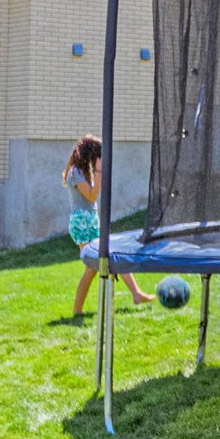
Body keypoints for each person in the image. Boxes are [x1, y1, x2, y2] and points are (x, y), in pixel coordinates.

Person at [64, 135, 151, 317]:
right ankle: (77, 311)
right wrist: (99, 171)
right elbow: (91, 196)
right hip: (82, 222)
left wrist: (97, 172)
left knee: (109, 256)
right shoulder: (76, 172)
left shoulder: (83, 171)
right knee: (92, 266)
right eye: (98, 155)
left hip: (89, 219)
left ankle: (136, 293)